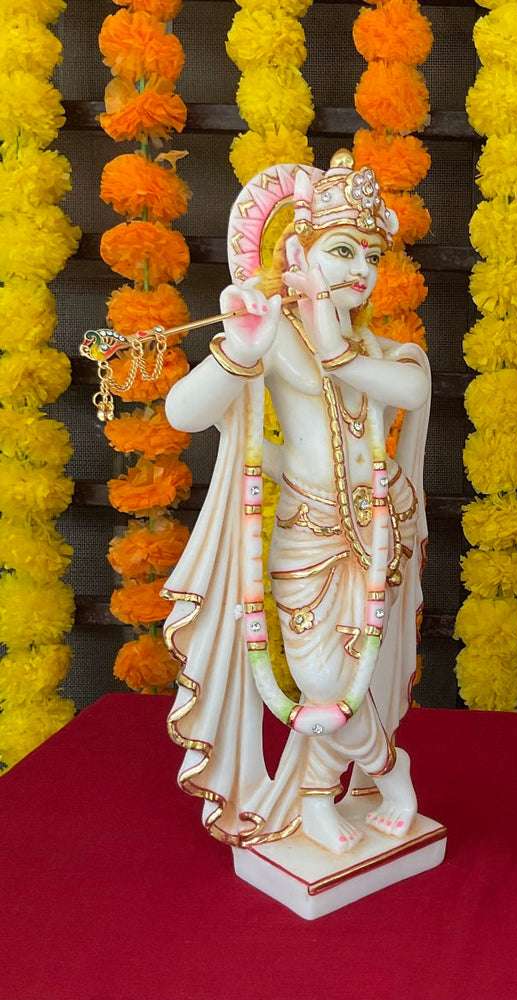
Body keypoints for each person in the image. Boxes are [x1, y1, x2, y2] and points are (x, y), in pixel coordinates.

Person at [162, 152, 430, 854]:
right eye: (341, 250)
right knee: (321, 679)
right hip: (306, 533)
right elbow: (184, 413)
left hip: (376, 537)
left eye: (370, 256)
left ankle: (316, 799)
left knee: (348, 682)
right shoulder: (275, 335)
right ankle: (391, 771)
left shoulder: (381, 352)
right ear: (295, 255)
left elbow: (411, 392)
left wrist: (339, 350)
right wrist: (238, 350)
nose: (360, 269)